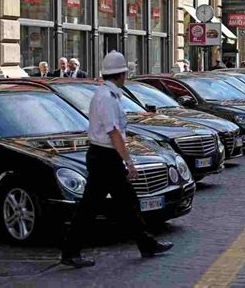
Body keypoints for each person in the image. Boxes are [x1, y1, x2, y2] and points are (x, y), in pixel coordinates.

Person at [61, 51, 173, 268]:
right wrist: (129, 162)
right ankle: (70, 251)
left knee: (124, 203)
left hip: (103, 156)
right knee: (92, 207)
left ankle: (145, 244)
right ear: (121, 74)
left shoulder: (106, 95)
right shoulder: (107, 98)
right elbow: (114, 134)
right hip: (105, 157)